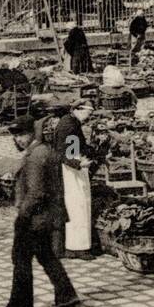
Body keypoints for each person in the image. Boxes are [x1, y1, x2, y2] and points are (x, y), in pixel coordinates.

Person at [3, 116, 82, 307]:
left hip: (35, 218)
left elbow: (36, 192)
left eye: (21, 134)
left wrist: (23, 216)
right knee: (47, 256)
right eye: (15, 136)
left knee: (21, 259)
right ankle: (67, 297)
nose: (18, 140)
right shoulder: (44, 151)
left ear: (32, 133)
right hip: (48, 216)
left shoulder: (36, 156)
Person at [53, 98, 95, 259]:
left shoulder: (71, 122)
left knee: (77, 206)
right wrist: (79, 163)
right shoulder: (69, 126)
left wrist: (93, 152)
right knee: (78, 206)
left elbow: (78, 145)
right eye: (88, 112)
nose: (89, 116)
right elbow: (65, 152)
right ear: (78, 109)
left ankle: (74, 246)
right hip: (71, 171)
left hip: (71, 167)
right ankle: (78, 248)